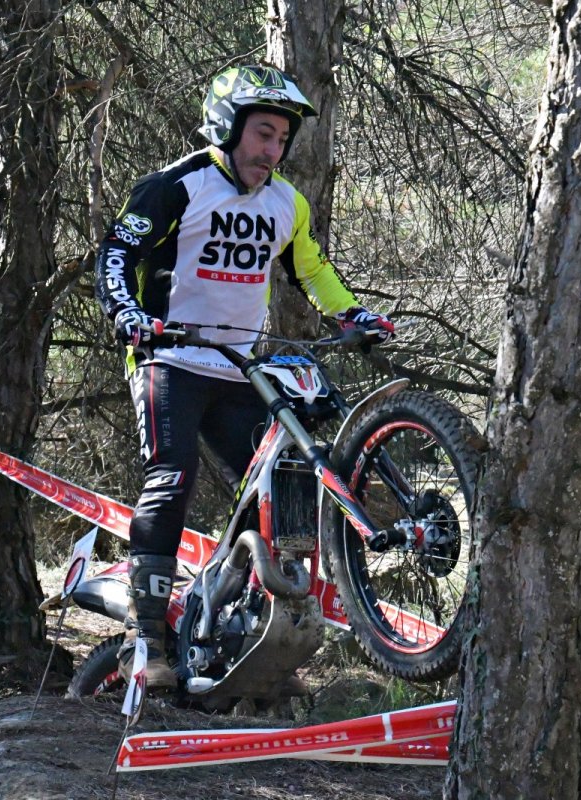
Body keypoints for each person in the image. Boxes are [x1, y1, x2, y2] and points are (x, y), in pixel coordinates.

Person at [93, 64, 394, 688]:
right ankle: (144, 636)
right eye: (262, 134)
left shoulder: (287, 203)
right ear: (227, 128)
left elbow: (312, 272)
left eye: (282, 140)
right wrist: (128, 314)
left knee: (277, 491)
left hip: (238, 368)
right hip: (167, 359)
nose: (272, 150)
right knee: (172, 475)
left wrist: (353, 313)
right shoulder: (176, 187)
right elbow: (116, 254)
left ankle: (245, 627)